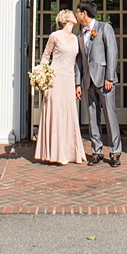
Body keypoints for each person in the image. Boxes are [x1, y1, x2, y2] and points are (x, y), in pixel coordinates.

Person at [75, 0, 122, 166]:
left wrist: (110, 77)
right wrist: (78, 83)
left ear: (84, 13)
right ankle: (97, 151)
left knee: (110, 116)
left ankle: (115, 151)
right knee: (92, 116)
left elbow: (112, 52)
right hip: (88, 81)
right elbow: (80, 60)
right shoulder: (80, 35)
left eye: (78, 12)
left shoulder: (104, 28)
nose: (76, 15)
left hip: (104, 80)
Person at [34, 9, 84, 165]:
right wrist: (42, 76)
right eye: (71, 14)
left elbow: (77, 63)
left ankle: (69, 152)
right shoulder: (55, 36)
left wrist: (77, 83)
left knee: (68, 112)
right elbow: (45, 56)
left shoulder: (76, 38)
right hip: (55, 78)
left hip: (69, 78)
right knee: (55, 111)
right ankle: (54, 153)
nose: (74, 15)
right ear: (65, 19)